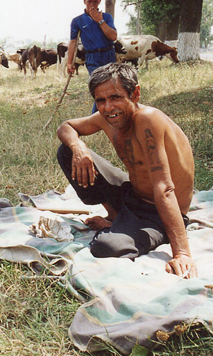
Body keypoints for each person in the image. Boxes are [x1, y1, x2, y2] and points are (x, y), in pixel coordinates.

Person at [56, 63, 197, 279]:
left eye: (115, 97)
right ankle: (115, 217)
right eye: (100, 100)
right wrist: (78, 147)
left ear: (135, 93)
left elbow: (165, 188)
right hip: (132, 195)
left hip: (159, 212)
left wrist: (182, 253)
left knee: (106, 247)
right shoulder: (106, 119)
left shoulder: (148, 119)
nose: (108, 107)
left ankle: (121, 225)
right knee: (67, 150)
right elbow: (66, 127)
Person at [67, 0, 118, 113]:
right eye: (89, 1)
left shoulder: (107, 17)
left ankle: (109, 114)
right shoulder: (77, 21)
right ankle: (95, 118)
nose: (92, 5)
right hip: (93, 57)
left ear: (99, 2)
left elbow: (113, 36)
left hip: (109, 54)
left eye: (95, 2)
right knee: (99, 87)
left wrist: (100, 21)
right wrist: (69, 63)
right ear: (84, 1)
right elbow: (73, 42)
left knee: (113, 86)